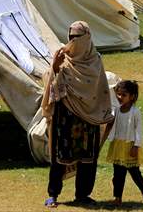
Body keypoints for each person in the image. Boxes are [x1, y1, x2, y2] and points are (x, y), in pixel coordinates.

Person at [41, 21, 113, 208]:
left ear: (86, 38)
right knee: (59, 157)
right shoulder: (62, 58)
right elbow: (51, 84)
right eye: (71, 37)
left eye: (77, 37)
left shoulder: (95, 59)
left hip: (89, 116)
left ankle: (83, 195)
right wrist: (55, 68)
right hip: (65, 116)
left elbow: (100, 87)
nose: (73, 41)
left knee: (88, 157)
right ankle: (53, 194)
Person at [105, 80, 143, 206]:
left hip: (130, 147)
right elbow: (111, 126)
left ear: (132, 96)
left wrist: (136, 146)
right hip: (117, 147)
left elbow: (139, 130)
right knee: (118, 175)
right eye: (118, 94)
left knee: (135, 173)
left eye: (123, 95)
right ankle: (117, 198)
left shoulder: (135, 112)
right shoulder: (117, 111)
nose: (120, 97)